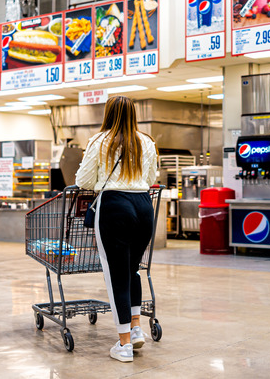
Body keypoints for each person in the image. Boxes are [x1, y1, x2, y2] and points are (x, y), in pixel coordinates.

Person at [75, 96, 158, 363]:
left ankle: (123, 345)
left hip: (114, 206)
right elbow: (151, 178)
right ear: (134, 113)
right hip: (144, 207)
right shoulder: (146, 141)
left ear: (108, 113)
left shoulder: (99, 141)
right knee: (132, 270)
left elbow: (83, 180)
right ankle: (135, 329)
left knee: (116, 276)